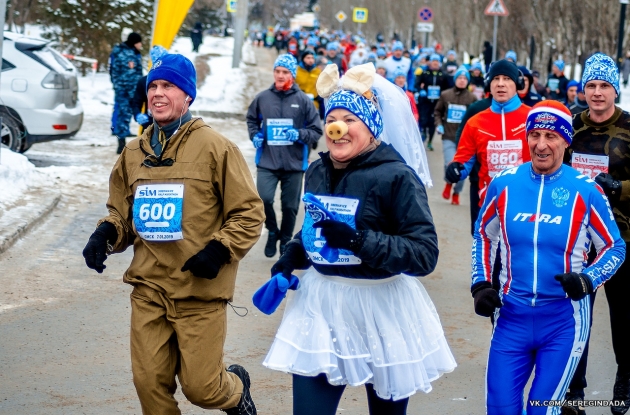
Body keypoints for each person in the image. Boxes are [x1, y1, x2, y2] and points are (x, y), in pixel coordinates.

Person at [263, 62, 455, 415]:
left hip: (382, 307)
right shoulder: (318, 168)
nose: (338, 129)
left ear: (370, 126)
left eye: (350, 120)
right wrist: (291, 257)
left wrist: (358, 241)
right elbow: (313, 230)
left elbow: (424, 254)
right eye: (333, 119)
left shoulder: (397, 176)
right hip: (323, 306)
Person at [82, 53, 265, 415]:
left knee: (202, 389)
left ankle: (235, 390)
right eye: (152, 86)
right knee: (149, 384)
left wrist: (219, 250)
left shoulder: (216, 148)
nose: (158, 93)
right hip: (149, 287)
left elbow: (248, 212)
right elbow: (121, 212)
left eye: (168, 86)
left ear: (188, 96)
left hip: (199, 290)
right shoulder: (133, 152)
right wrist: (104, 235)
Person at [472, 99, 625, 415]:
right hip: (510, 316)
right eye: (535, 135)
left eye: (551, 136)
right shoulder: (504, 184)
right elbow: (484, 237)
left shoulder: (586, 191)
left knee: (541, 410)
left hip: (563, 320)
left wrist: (587, 279)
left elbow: (615, 247)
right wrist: (481, 285)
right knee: (500, 409)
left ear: (566, 140)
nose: (541, 145)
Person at [562, 52, 630, 415]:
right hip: (578, 241)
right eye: (591, 85)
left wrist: (618, 187)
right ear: (583, 89)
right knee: (576, 316)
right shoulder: (571, 127)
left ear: (615, 90)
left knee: (624, 318)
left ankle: (624, 383)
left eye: (605, 85)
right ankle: (575, 390)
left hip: (622, 239)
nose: (598, 92)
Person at [246, 54, 323, 258]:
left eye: (285, 72)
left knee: (290, 207)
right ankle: (272, 230)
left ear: (293, 75)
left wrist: (299, 134)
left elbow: (316, 130)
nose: (280, 75)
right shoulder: (263, 98)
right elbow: (251, 119)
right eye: (277, 71)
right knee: (263, 198)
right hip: (268, 160)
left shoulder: (303, 101)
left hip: (294, 162)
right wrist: (255, 136)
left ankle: (286, 240)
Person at [446, 59, 531, 204]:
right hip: (487, 204)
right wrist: (456, 169)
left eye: (507, 78)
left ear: (517, 84)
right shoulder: (475, 123)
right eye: (495, 79)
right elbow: (463, 160)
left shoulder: (533, 118)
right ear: (489, 85)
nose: (500, 84)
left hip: (525, 202)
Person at [434, 65, 477, 205]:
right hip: (448, 136)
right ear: (455, 79)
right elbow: (438, 112)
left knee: (462, 167)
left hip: (465, 139)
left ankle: (456, 192)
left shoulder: (472, 98)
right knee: (449, 163)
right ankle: (448, 183)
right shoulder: (446, 95)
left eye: (465, 78)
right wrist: (439, 124)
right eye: (459, 77)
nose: (462, 80)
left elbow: (476, 118)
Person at [110, 32, 143, 154]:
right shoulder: (125, 54)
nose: (141, 45)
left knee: (126, 115)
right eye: (139, 42)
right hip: (125, 91)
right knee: (123, 115)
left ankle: (124, 140)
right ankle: (121, 143)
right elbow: (119, 74)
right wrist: (123, 89)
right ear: (135, 42)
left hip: (130, 90)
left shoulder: (132, 53)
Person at [131, 45, 168, 134]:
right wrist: (138, 115)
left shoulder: (174, 81)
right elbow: (136, 102)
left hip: (170, 127)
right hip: (149, 127)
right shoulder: (144, 81)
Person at [415, 54, 449, 150]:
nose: (435, 63)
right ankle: (423, 133)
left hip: (437, 102)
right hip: (425, 100)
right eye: (433, 61)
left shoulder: (443, 74)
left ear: (439, 63)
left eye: (437, 61)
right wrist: (421, 91)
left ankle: (430, 141)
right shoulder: (425, 72)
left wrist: (443, 96)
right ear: (430, 62)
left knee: (432, 122)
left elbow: (447, 88)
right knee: (424, 119)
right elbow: (416, 84)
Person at [295, 49, 322, 113]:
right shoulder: (297, 71)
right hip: (299, 103)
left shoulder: (318, 71)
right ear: (303, 59)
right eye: (308, 58)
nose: (310, 60)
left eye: (312, 58)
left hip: (314, 104)